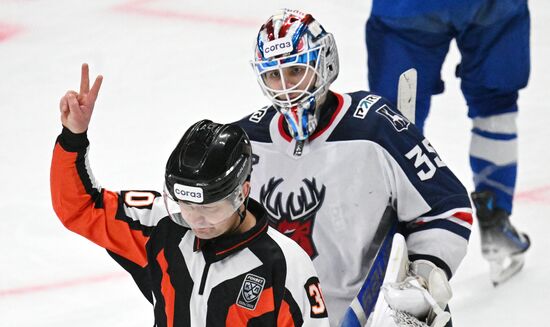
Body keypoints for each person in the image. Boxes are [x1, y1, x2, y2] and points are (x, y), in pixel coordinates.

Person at [235, 8, 472, 326]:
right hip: (284, 312)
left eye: (294, 70)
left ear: (324, 63)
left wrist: (425, 272)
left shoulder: (374, 127)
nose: (286, 87)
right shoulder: (245, 142)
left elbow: (447, 208)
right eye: (273, 75)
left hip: (373, 309)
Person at [50, 64, 330, 326]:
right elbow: (81, 208)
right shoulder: (161, 225)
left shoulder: (284, 264)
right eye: (186, 205)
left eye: (211, 208)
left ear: (243, 193)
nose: (197, 220)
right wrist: (74, 137)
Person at [365, 0, 530, 285]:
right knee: (496, 103)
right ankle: (496, 220)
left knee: (399, 118)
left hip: (408, 9)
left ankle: (400, 238)